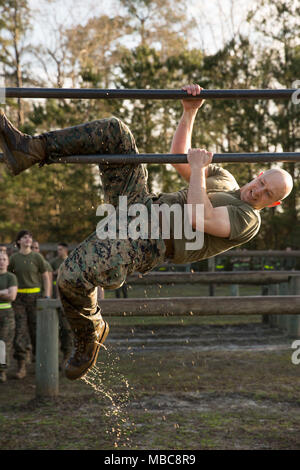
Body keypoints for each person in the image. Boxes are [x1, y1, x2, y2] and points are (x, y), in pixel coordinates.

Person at [0, 84, 294, 380]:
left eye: (267, 194)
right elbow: (178, 155)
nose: (258, 192)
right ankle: (30, 149)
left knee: (70, 276)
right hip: (139, 204)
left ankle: (90, 331)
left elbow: (198, 215)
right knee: (115, 132)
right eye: (262, 183)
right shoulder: (225, 177)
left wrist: (197, 170)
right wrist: (189, 112)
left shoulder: (248, 220)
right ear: (258, 174)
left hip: (151, 241)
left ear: (273, 203)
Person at [7, 230, 50, 379]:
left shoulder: (37, 257)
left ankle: (41, 363)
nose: (28, 239)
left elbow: (45, 276)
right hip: (18, 299)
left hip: (35, 298)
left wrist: (47, 295)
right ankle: (21, 366)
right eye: (25, 237)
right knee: (20, 331)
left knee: (36, 331)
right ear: (18, 241)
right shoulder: (13, 258)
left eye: (30, 237)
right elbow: (8, 276)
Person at [50, 243, 74, 367]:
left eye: (60, 249)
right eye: (57, 249)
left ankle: (67, 356)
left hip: (68, 299)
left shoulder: (72, 261)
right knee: (54, 329)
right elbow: (49, 276)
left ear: (65, 250)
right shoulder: (53, 262)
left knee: (66, 329)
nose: (58, 251)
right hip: (55, 298)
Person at [0, 251, 17, 383]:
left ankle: (2, 371)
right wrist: (3, 292)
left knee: (4, 344)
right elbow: (7, 294)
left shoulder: (11, 277)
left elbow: (12, 296)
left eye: (4, 259)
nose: (1, 262)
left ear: (8, 262)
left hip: (6, 315)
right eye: (0, 259)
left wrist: (7, 293)